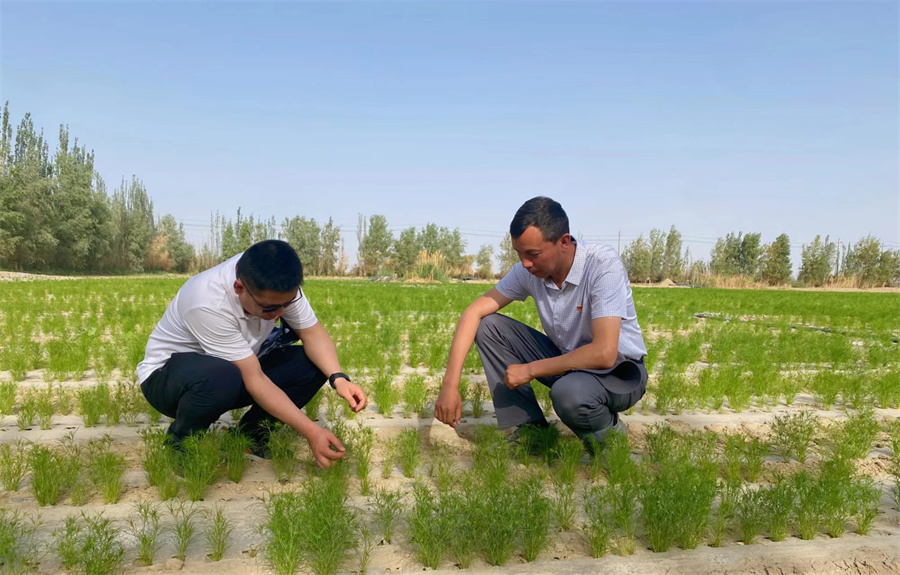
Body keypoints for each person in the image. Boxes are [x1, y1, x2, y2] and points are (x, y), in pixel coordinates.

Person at [434, 197, 647, 449]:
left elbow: (604, 353)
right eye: (519, 254)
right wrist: (450, 385)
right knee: (488, 325)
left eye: (533, 254)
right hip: (569, 362)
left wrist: (530, 369)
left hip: (618, 372)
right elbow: (473, 313)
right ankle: (532, 431)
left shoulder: (602, 265)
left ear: (564, 242)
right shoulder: (528, 272)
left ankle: (610, 441)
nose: (525, 263)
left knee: (569, 393)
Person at [138, 239, 367, 469]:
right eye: (269, 308)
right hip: (168, 380)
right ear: (239, 288)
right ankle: (179, 444)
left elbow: (313, 334)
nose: (279, 314)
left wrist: (338, 378)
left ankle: (249, 436)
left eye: (286, 305)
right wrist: (311, 431)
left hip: (234, 369)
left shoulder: (276, 282)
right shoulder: (206, 301)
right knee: (223, 375)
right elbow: (254, 378)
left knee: (312, 364)